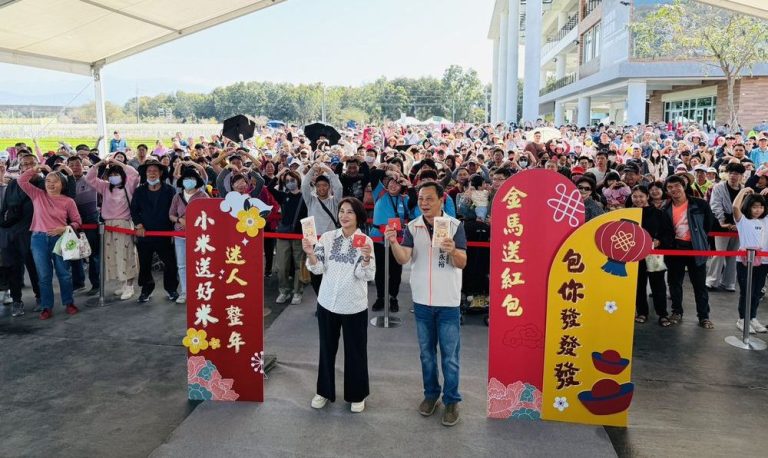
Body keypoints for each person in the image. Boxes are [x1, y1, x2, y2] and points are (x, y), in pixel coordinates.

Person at [387, 181, 467, 427]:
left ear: (442, 200)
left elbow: (462, 262)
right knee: (426, 355)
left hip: (449, 302)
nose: (424, 203)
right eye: (421, 199)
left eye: (429, 198)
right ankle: (431, 394)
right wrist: (393, 242)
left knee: (450, 357)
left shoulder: (455, 226)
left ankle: (451, 399)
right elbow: (404, 259)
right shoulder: (413, 226)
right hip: (422, 302)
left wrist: (453, 250)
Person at [303, 197, 375, 413]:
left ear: (358, 216)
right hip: (326, 303)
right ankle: (323, 391)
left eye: (350, 212)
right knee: (326, 349)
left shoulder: (365, 241)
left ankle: (357, 394)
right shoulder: (327, 237)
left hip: (353, 305)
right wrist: (310, 254)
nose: (344, 216)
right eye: (342, 211)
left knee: (355, 352)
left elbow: (366, 275)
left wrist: (365, 259)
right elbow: (318, 268)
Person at [18, 164, 82, 320]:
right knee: (44, 276)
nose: (51, 184)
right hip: (38, 239)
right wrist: (35, 169)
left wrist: (66, 227)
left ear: (63, 184)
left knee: (64, 274)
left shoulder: (68, 201)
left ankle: (69, 302)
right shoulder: (37, 195)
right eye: (48, 181)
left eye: (55, 181)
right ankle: (47, 306)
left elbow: (77, 221)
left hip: (60, 240)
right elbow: (21, 180)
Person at [659, 175, 716, 329]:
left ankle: (704, 316)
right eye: (670, 187)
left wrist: (700, 240)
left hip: (695, 248)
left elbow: (708, 225)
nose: (674, 190)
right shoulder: (665, 208)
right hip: (674, 249)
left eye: (676, 186)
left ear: (683, 186)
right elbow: (664, 230)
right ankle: (676, 311)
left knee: (699, 285)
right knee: (674, 282)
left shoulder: (700, 204)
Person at [87, 156, 140, 300]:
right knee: (113, 255)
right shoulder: (104, 187)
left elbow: (134, 173)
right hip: (108, 225)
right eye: (111, 175)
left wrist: (117, 162)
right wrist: (100, 163)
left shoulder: (128, 186)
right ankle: (122, 284)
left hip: (123, 224)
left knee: (126, 255)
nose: (113, 177)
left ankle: (130, 286)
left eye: (116, 174)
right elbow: (89, 178)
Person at [131, 159, 179, 303]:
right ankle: (146, 290)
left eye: (155, 171)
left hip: (165, 234)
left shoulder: (170, 190)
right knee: (144, 264)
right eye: (149, 171)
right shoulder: (139, 191)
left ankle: (171, 289)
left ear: (161, 173)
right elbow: (134, 210)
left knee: (170, 264)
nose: (152, 173)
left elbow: (175, 210)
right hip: (145, 235)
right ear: (145, 174)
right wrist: (138, 225)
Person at [0, 153, 41, 316]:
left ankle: (40, 297)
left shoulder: (44, 183)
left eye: (32, 163)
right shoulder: (13, 185)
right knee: (14, 269)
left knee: (35, 268)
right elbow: (5, 210)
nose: (28, 167)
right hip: (13, 233)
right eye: (25, 164)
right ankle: (17, 300)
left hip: (34, 232)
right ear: (20, 167)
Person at [629, 185, 670, 326]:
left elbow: (668, 232)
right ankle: (641, 312)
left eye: (641, 196)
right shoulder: (629, 213)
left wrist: (660, 241)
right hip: (635, 255)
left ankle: (663, 314)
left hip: (654, 255)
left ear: (647, 197)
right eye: (635, 196)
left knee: (658, 284)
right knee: (638, 284)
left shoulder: (659, 213)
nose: (638, 199)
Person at [302, 163, 344, 296]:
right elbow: (304, 185)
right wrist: (312, 169)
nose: (321, 188)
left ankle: (329, 298)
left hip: (332, 241)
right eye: (319, 186)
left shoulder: (335, 201)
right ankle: (320, 298)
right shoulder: (311, 201)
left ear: (329, 187)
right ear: (315, 187)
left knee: (331, 270)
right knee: (315, 271)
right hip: (314, 241)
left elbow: (339, 187)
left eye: (325, 185)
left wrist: (329, 171)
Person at [169, 166, 209, 304]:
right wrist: (180, 220)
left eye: (191, 178)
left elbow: (209, 215)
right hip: (180, 235)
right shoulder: (177, 196)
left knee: (199, 263)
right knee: (181, 264)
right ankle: (185, 291)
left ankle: (200, 290)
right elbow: (171, 215)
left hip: (199, 236)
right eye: (186, 178)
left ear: (197, 180)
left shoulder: (203, 196)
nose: (188, 181)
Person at [268, 168, 307, 305]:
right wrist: (280, 173)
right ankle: (284, 290)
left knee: (299, 265)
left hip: (299, 236)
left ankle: (297, 291)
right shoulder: (283, 196)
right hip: (283, 235)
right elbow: (269, 187)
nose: (290, 183)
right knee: (282, 265)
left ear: (298, 181)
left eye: (293, 180)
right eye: (288, 181)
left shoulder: (306, 196)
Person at [731, 187, 768, 334]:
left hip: (763, 261)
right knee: (747, 291)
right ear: (748, 207)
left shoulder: (765, 220)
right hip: (745, 260)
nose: (758, 210)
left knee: (757, 291)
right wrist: (744, 190)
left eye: (760, 207)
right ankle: (742, 319)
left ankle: (752, 317)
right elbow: (735, 206)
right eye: (754, 207)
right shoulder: (743, 220)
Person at [706, 162, 744, 292]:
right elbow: (715, 205)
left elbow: (745, 209)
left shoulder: (744, 189)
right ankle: (712, 281)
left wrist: (739, 224)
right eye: (731, 173)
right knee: (719, 253)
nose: (733, 176)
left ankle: (729, 283)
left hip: (739, 226)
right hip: (720, 224)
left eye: (737, 174)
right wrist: (723, 221)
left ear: (741, 176)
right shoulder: (718, 187)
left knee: (733, 256)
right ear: (727, 174)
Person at [66, 155, 100, 295]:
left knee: (93, 254)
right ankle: (78, 283)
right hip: (71, 220)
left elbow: (101, 166)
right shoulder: (65, 182)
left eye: (77, 164)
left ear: (82, 165)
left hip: (90, 219)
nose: (75, 167)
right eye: (71, 165)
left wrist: (90, 161)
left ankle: (96, 284)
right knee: (74, 253)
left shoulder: (90, 179)